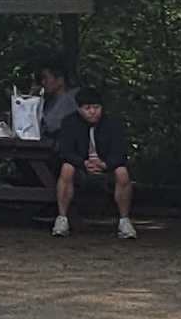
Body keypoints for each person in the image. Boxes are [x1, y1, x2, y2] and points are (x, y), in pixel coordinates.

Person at [49, 83, 136, 237]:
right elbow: (65, 151)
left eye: (96, 107)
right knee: (66, 168)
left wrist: (105, 164)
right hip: (79, 166)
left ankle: (124, 220)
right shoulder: (69, 123)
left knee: (123, 173)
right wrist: (83, 163)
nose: (92, 112)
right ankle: (62, 217)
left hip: (107, 166)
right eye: (87, 108)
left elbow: (120, 153)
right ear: (79, 109)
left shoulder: (113, 124)